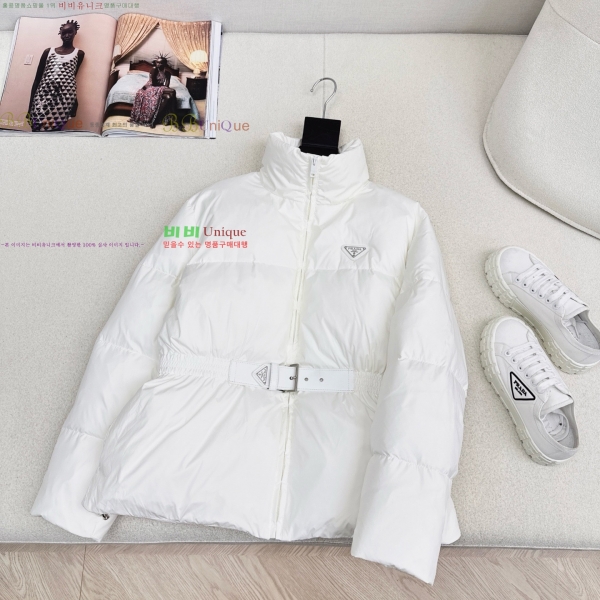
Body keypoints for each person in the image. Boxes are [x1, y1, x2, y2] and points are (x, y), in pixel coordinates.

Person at [28, 20, 85, 132]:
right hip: (43, 95)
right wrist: (29, 107)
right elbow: (37, 79)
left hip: (65, 98)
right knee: (37, 126)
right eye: (64, 33)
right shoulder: (48, 51)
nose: (67, 35)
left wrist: (75, 101)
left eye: (70, 32)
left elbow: (73, 77)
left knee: (54, 129)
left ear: (75, 32)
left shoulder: (79, 54)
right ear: (60, 34)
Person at [129, 53, 183, 131]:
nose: (158, 64)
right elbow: (153, 83)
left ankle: (154, 120)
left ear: (165, 64)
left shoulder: (167, 73)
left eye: (161, 63)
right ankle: (177, 121)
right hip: (150, 87)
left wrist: (163, 88)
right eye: (157, 62)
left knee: (169, 97)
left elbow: (167, 86)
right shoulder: (154, 69)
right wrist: (163, 88)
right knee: (173, 91)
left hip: (159, 88)